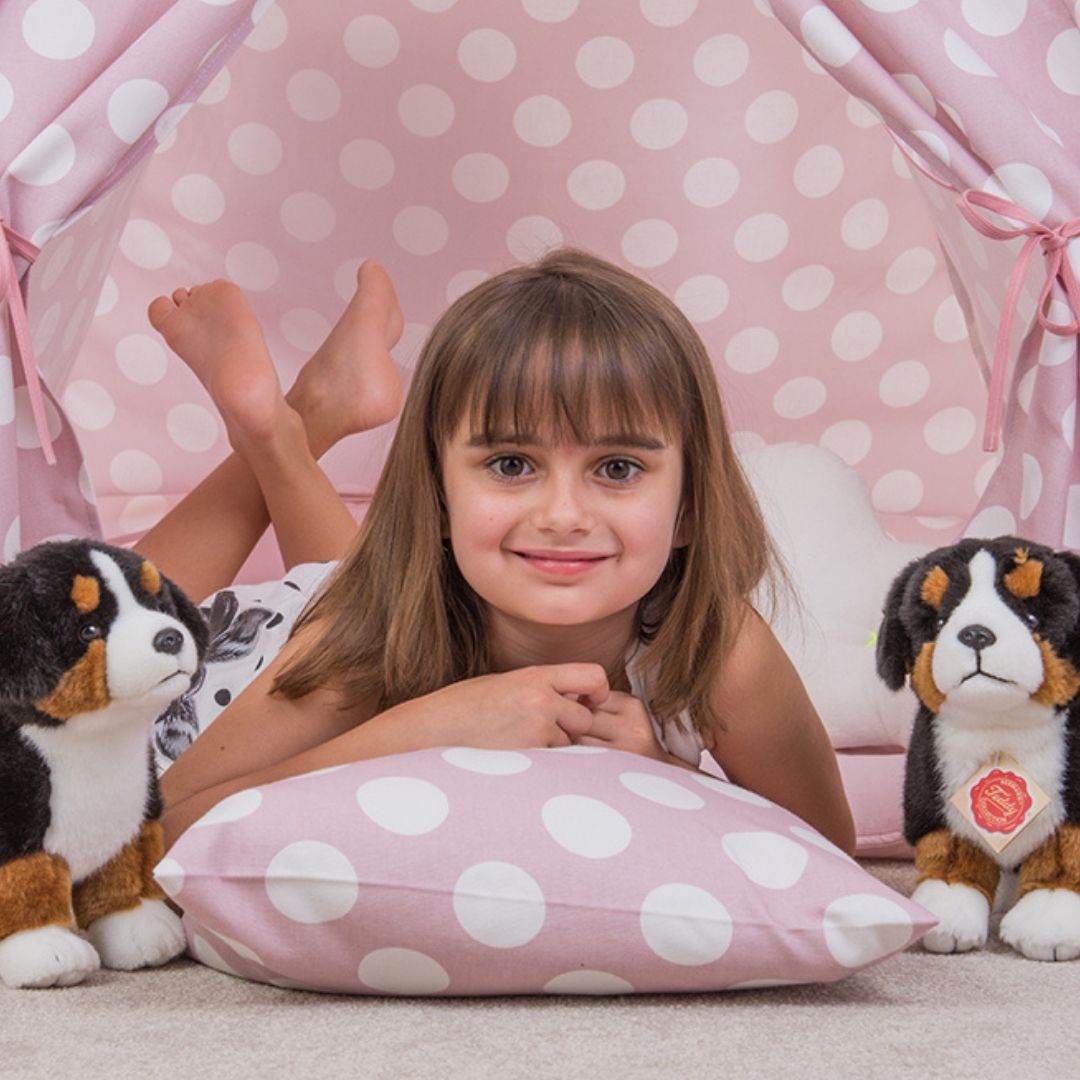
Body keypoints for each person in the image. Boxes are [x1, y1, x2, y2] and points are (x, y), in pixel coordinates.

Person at [143, 249, 856, 856]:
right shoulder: (358, 645)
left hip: (391, 601)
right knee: (75, 626)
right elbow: (152, 836)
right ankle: (276, 426)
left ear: (690, 509)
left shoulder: (717, 646)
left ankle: (300, 419)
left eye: (617, 469)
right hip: (191, 675)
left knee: (377, 590)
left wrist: (666, 774)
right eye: (513, 464)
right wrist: (422, 731)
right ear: (439, 497)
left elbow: (828, 855)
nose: (564, 516)